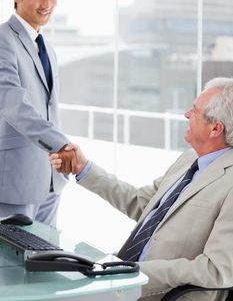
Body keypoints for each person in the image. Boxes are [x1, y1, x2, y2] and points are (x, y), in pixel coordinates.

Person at [50, 76, 233, 301]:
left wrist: (135, 272)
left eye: (194, 111)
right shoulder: (189, 159)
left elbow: (217, 270)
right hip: (119, 279)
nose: (186, 114)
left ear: (216, 128)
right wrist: (83, 168)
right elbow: (141, 203)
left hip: (156, 292)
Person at [0, 0, 78, 227]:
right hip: (14, 179)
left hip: (50, 178)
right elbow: (12, 103)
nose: (47, 5)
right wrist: (60, 143)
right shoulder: (3, 40)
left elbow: (47, 108)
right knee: (10, 265)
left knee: (47, 259)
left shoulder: (45, 46)